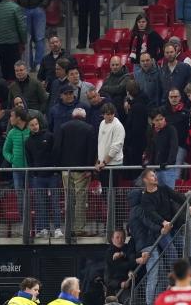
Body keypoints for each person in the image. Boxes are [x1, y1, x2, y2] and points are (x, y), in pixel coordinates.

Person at [53, 108, 97, 237]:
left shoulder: (63, 127)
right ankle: (79, 228)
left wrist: (58, 166)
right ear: (84, 117)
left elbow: (57, 148)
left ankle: (69, 227)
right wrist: (89, 168)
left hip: (65, 170)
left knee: (69, 198)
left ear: (73, 116)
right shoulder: (89, 128)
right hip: (82, 170)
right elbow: (91, 150)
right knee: (80, 199)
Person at [25, 117, 63, 238]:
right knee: (40, 204)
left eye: (36, 124)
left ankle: (57, 229)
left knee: (55, 203)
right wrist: (34, 174)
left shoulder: (49, 136)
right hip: (38, 178)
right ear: (28, 127)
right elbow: (29, 160)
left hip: (52, 175)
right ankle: (43, 229)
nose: (35, 126)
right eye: (32, 125)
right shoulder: (28, 142)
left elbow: (56, 152)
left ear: (39, 124)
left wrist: (56, 170)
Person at [0, 0, 28, 81]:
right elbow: (21, 27)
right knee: (14, 72)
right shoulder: (16, 8)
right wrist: (23, 41)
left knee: (3, 71)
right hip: (12, 44)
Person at [146, 108, 180, 188]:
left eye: (161, 119)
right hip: (157, 169)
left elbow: (174, 147)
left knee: (169, 192)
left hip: (168, 168)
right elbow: (153, 149)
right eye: (157, 120)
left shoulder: (171, 129)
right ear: (152, 121)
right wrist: (150, 163)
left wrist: (169, 162)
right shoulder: (153, 131)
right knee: (159, 193)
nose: (160, 122)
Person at [3, 107, 31, 191]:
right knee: (19, 193)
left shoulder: (30, 130)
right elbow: (5, 151)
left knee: (32, 193)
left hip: (31, 168)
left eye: (12, 116)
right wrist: (12, 159)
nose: (10, 118)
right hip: (17, 169)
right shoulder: (11, 133)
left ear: (18, 118)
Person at [104, 229, 137, 295]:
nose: (120, 240)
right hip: (114, 289)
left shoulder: (127, 249)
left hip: (128, 286)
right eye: (117, 237)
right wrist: (119, 284)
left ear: (125, 239)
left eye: (122, 238)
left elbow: (132, 258)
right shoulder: (110, 252)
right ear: (112, 239)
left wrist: (130, 271)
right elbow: (117, 267)